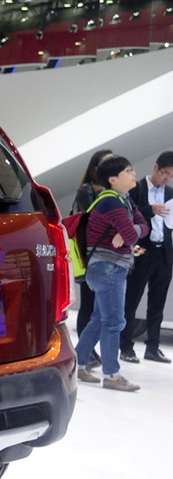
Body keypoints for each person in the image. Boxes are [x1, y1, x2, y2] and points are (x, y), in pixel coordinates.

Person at [76, 155, 148, 392]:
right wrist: (130, 232)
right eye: (128, 171)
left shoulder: (124, 199)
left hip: (110, 267)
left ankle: (78, 364)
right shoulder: (111, 202)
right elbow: (132, 235)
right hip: (108, 267)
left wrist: (130, 231)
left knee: (100, 319)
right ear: (113, 179)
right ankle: (112, 375)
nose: (133, 173)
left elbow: (142, 227)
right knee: (114, 321)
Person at [119, 151, 173, 364]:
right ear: (155, 167)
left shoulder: (170, 193)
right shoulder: (137, 189)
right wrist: (151, 210)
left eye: (171, 176)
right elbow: (128, 216)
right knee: (132, 299)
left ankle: (153, 347)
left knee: (158, 302)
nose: (166, 179)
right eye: (165, 173)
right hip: (141, 250)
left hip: (164, 252)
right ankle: (125, 346)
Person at [72, 149, 114, 367]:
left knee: (101, 307)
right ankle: (84, 351)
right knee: (88, 304)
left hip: (107, 254)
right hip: (90, 252)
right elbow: (92, 218)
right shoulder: (86, 190)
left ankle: (88, 349)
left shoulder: (113, 190)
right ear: (96, 167)